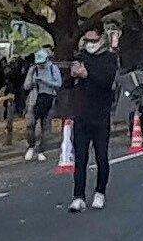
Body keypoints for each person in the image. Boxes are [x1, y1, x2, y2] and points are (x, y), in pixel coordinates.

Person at [64, 26, 122, 209]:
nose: (90, 44)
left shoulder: (110, 58)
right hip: (82, 114)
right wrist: (72, 74)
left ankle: (100, 192)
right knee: (80, 158)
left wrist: (88, 74)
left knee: (101, 156)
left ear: (101, 38)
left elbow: (107, 81)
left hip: (101, 113)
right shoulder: (81, 57)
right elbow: (67, 84)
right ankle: (78, 196)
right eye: (87, 40)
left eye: (93, 40)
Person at [24, 47, 62, 160]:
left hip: (49, 98)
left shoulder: (52, 68)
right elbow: (26, 86)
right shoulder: (33, 69)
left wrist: (45, 81)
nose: (40, 65)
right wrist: (33, 82)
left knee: (45, 126)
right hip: (34, 99)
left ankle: (41, 150)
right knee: (30, 124)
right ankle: (31, 146)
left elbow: (58, 84)